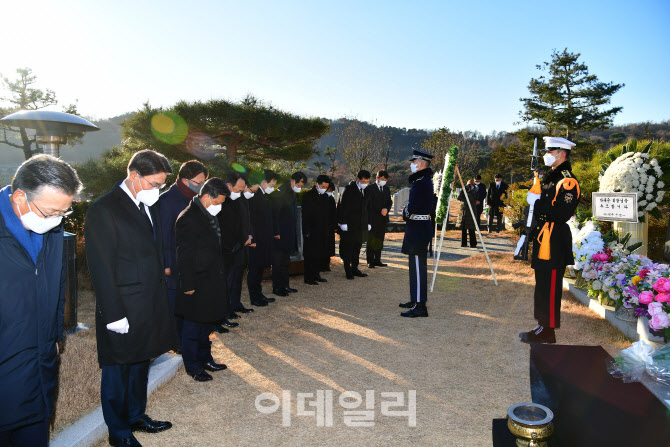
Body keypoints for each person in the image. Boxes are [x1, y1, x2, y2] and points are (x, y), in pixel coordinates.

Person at [85, 149, 178, 447]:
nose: (157, 190)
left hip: (148, 302)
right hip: (122, 307)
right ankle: (119, 432)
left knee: (141, 364)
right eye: (153, 184)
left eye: (161, 185)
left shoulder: (148, 204)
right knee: (117, 371)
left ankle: (137, 415)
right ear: (134, 175)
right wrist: (113, 314)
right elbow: (100, 266)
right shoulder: (105, 208)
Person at [0, 155, 81, 447]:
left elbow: (57, 283)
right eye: (50, 211)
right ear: (20, 197)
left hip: (40, 371)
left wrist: (55, 335)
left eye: (64, 212)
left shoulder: (52, 227)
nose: (57, 220)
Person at [519, 137, 580, 344]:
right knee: (542, 285)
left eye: (550, 151)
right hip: (543, 235)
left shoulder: (567, 180)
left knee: (551, 285)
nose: (546, 154)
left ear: (561, 153)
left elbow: (561, 214)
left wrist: (539, 204)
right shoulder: (550, 178)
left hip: (554, 239)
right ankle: (542, 325)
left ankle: (549, 330)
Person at [175, 178, 230, 382]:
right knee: (193, 327)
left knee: (206, 324)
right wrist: (188, 284)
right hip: (196, 282)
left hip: (211, 280)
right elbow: (184, 255)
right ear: (206, 197)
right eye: (218, 202)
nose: (220, 207)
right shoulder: (188, 218)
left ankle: (206, 358)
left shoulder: (208, 214)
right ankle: (193, 366)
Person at [158, 160, 209, 349]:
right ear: (185, 180)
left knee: (190, 305)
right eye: (198, 182)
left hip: (192, 263)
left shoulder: (195, 199)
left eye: (203, 182)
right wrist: (166, 265)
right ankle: (175, 341)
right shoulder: (167, 201)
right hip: (174, 264)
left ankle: (186, 339)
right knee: (175, 307)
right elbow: (163, 236)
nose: (201, 186)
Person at [399, 150, 435, 317]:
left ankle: (420, 306)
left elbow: (412, 207)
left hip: (419, 228)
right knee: (414, 266)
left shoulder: (421, 182)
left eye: (413, 162)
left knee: (418, 267)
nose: (411, 164)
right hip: (418, 227)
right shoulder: (422, 180)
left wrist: (405, 212)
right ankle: (415, 299)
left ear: (421, 163)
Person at [220, 172, 252, 325]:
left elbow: (246, 220)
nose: (240, 193)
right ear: (228, 186)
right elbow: (224, 228)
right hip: (228, 250)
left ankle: (235, 304)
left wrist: (249, 236)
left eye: (242, 190)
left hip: (241, 247)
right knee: (227, 281)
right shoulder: (221, 202)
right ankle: (225, 311)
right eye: (238, 190)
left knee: (238, 278)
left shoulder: (240, 200)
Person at [271, 172, 306, 296]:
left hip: (288, 232)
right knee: (277, 261)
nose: (299, 187)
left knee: (286, 261)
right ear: (292, 181)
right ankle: (277, 287)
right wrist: (276, 231)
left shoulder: (291, 192)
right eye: (298, 184)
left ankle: (285, 285)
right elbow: (275, 213)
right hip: (280, 233)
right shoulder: (280, 192)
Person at [247, 170, 279, 306]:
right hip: (256, 239)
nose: (273, 188)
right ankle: (254, 298)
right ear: (264, 182)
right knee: (254, 269)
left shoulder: (264, 195)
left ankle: (259, 294)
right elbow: (250, 219)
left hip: (264, 238)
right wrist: (252, 238)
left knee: (260, 269)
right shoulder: (254, 196)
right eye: (272, 184)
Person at [338, 170, 373, 279]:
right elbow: (341, 206)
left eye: (366, 181)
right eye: (362, 181)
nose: (364, 183)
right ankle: (347, 270)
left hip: (361, 224)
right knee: (348, 247)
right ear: (357, 179)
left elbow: (369, 208)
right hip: (349, 224)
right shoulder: (348, 189)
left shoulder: (367, 190)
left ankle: (355, 268)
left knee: (357, 247)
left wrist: (369, 222)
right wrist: (342, 222)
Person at [301, 174, 331, 285]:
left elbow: (326, 215)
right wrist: (306, 231)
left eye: (326, 188)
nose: (324, 189)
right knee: (310, 255)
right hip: (311, 231)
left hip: (321, 230)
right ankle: (308, 277)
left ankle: (316, 274)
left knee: (319, 254)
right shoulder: (307, 196)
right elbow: (305, 216)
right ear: (316, 185)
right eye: (322, 187)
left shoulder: (324, 197)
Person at [367, 170, 393, 268]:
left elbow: (389, 202)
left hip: (383, 219)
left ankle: (377, 259)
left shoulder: (386, 189)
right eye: (381, 179)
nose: (383, 181)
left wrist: (387, 209)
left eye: (385, 179)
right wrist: (380, 210)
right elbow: (369, 204)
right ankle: (370, 260)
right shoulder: (370, 188)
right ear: (377, 178)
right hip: (373, 218)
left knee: (380, 239)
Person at [322, 181, 337, 272]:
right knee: (322, 246)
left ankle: (326, 264)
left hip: (330, 226)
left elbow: (334, 213)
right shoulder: (321, 198)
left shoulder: (331, 199)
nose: (330, 192)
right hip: (322, 226)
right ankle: (321, 265)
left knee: (328, 247)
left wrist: (335, 225)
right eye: (329, 190)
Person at [458, 179, 479, 248]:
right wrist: (464, 190)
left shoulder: (475, 191)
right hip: (464, 211)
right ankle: (463, 243)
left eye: (472, 184)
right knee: (464, 229)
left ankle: (473, 243)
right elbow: (459, 198)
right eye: (469, 185)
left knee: (471, 228)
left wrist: (471, 191)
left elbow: (476, 199)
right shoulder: (464, 191)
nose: (470, 186)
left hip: (472, 211)